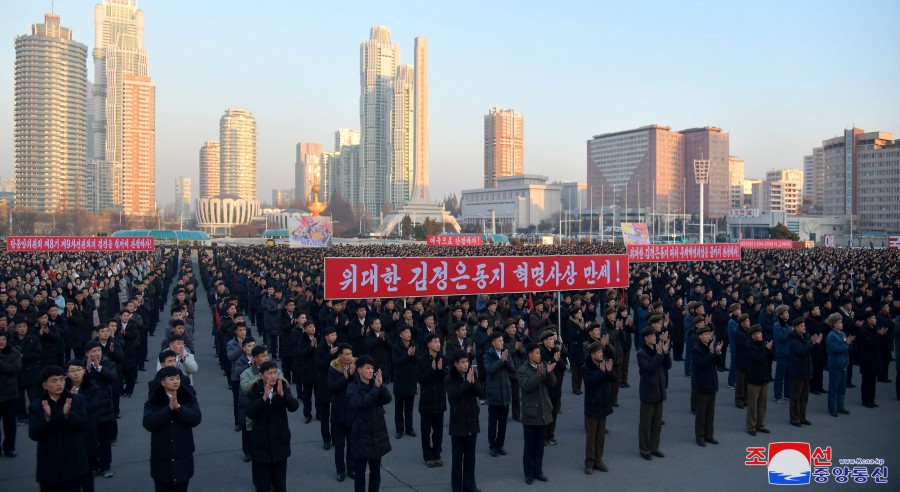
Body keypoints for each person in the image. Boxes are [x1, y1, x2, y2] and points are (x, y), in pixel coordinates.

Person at [29, 365, 90, 492]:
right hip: (48, 466)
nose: (59, 384)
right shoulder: (36, 406)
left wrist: (68, 415)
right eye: (54, 381)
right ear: (45, 385)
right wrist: (46, 418)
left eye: (61, 380)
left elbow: (84, 424)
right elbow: (34, 434)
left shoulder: (76, 401)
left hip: (73, 464)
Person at [142, 366, 202, 492]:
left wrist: (179, 409)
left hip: (182, 453)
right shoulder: (153, 401)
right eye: (171, 379)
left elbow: (196, 418)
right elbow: (148, 423)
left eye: (178, 378)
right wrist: (168, 410)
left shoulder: (188, 397)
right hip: (162, 455)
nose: (175, 381)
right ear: (162, 382)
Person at [246, 361, 299, 492]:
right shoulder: (254, 390)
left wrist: (283, 395)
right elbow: (249, 412)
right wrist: (263, 398)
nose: (273, 376)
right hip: (261, 444)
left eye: (275, 372)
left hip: (280, 443)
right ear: (261, 375)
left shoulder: (282, 387)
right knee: (263, 485)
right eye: (269, 373)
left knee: (280, 483)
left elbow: (294, 406)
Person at [347, 355, 392, 492]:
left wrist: (381, 386)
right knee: (360, 476)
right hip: (360, 437)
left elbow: (387, 399)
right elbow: (361, 403)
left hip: (377, 436)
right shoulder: (353, 387)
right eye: (367, 368)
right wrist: (376, 389)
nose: (371, 371)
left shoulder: (375, 384)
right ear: (359, 370)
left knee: (375, 475)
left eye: (372, 368)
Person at [444, 350, 484, 492]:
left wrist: (473, 383)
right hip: (458, 423)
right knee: (457, 458)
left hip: (472, 420)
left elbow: (481, 393)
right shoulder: (450, 378)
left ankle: (470, 484)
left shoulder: (472, 375)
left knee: (470, 457)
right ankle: (457, 486)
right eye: (462, 362)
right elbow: (454, 396)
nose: (466, 364)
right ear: (455, 364)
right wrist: (467, 383)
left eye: (467, 362)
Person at [517, 342, 556, 484]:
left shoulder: (544, 366)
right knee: (529, 446)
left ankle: (538, 471)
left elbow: (552, 384)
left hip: (543, 411)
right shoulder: (522, 370)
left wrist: (549, 373)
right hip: (530, 413)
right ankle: (528, 473)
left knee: (540, 446)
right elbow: (527, 386)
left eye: (540, 353)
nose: (539, 355)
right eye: (537, 353)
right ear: (530, 355)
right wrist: (540, 375)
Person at [84, 340, 118, 478]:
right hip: (89, 409)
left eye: (98, 350)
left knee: (105, 441)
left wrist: (99, 368)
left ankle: (105, 466)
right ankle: (92, 466)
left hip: (105, 406)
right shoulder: (81, 366)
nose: (96, 353)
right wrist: (86, 370)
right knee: (91, 441)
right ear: (87, 354)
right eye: (93, 351)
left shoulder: (108, 363)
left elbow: (112, 378)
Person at [637, 325, 671, 460]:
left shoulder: (658, 350)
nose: (654, 338)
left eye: (654, 335)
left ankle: (654, 447)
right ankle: (645, 449)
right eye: (651, 336)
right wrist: (658, 354)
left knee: (657, 423)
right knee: (646, 423)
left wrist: (666, 353)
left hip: (659, 391)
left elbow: (667, 366)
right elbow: (650, 368)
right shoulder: (641, 353)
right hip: (648, 392)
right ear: (645, 338)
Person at [582, 340, 614, 474]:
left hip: (603, 405)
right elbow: (589, 382)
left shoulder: (603, 364)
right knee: (591, 436)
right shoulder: (586, 367)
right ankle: (589, 462)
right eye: (599, 352)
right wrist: (601, 372)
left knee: (601, 436)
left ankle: (598, 460)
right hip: (592, 405)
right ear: (592, 355)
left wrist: (609, 371)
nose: (601, 354)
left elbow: (613, 379)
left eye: (602, 352)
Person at [417, 332, 448, 467]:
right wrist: (432, 369)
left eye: (439, 342)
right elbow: (420, 378)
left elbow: (447, 378)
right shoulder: (421, 360)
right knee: (425, 431)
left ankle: (437, 454)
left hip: (440, 399)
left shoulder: (444, 358)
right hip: (427, 400)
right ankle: (428, 456)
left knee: (438, 430)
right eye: (435, 342)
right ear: (428, 344)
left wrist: (440, 370)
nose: (438, 344)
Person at [483, 330, 514, 457]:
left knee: (503, 423)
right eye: (499, 341)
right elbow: (489, 370)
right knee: (492, 423)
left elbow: (513, 370)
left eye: (502, 340)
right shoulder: (487, 355)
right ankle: (492, 446)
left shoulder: (506, 354)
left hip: (505, 393)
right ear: (493, 342)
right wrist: (501, 361)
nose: (502, 343)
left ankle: (500, 445)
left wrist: (505, 360)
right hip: (493, 394)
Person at [328, 343, 355, 482]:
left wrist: (352, 374)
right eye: (346, 354)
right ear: (340, 356)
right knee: (339, 445)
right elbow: (332, 388)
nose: (349, 357)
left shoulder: (356, 368)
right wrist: (344, 378)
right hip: (338, 413)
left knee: (352, 444)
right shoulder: (333, 368)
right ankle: (340, 471)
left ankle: (351, 468)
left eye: (350, 354)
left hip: (353, 412)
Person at [692, 323, 722, 447]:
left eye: (709, 334)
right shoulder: (697, 349)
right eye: (705, 334)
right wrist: (712, 353)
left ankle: (709, 435)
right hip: (702, 384)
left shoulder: (711, 347)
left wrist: (718, 353)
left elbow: (718, 364)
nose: (708, 336)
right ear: (700, 336)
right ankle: (700, 436)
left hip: (712, 383)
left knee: (710, 412)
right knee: (701, 413)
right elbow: (702, 364)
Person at [788, 317, 821, 426]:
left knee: (804, 397)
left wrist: (816, 344)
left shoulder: (805, 337)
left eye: (804, 325)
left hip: (807, 370)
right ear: (796, 328)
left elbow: (811, 350)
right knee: (796, 397)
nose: (804, 327)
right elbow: (802, 351)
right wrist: (812, 344)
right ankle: (794, 418)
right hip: (798, 371)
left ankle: (802, 417)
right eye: (802, 326)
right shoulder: (793, 340)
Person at [745, 325, 773, 435]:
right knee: (753, 404)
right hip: (754, 379)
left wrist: (769, 350)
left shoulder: (763, 343)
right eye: (758, 333)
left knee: (762, 404)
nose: (760, 335)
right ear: (753, 335)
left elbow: (770, 356)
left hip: (764, 378)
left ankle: (760, 425)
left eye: (761, 333)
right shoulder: (750, 346)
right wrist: (767, 349)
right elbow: (758, 358)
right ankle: (751, 426)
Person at [390, 324, 418, 440]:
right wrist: (407, 355)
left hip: (411, 380)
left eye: (409, 332)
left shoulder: (414, 345)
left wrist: (412, 355)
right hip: (400, 381)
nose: (408, 334)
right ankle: (399, 429)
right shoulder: (396, 347)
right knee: (399, 408)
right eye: (406, 332)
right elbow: (396, 362)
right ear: (400, 335)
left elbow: (419, 359)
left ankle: (409, 428)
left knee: (409, 408)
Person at [315, 327, 339, 448]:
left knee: (335, 414)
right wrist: (330, 355)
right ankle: (326, 439)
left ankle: (336, 437)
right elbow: (321, 365)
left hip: (336, 383)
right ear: (326, 337)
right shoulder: (320, 349)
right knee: (325, 415)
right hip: (324, 384)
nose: (334, 337)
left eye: (335, 335)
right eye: (332, 335)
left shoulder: (339, 347)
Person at [858, 312, 889, 408]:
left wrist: (882, 335)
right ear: (868, 319)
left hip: (874, 357)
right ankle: (865, 400)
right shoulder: (864, 330)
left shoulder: (875, 328)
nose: (875, 319)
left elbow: (878, 342)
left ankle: (872, 400)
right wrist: (879, 335)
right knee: (866, 380)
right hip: (867, 358)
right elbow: (871, 342)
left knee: (873, 381)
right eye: (873, 318)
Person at [825, 313, 853, 416]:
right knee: (834, 388)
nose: (842, 324)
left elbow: (846, 348)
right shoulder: (831, 336)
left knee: (842, 388)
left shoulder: (843, 334)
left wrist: (848, 344)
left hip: (844, 365)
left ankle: (840, 407)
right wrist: (846, 344)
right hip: (835, 365)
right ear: (834, 323)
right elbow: (836, 349)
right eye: (840, 322)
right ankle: (832, 408)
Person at [0, 330, 22, 457]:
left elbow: (15, 369)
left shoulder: (14, 353)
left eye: (3, 340)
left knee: (10, 424)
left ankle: (10, 447)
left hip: (10, 393)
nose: (1, 342)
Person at [773, 305, 792, 403]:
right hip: (781, 353)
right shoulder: (777, 325)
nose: (787, 314)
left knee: (788, 376)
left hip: (789, 353)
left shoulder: (787, 324)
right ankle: (777, 395)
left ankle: (787, 394)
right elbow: (781, 338)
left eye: (787, 312)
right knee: (779, 376)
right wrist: (791, 333)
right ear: (780, 315)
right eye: (785, 313)